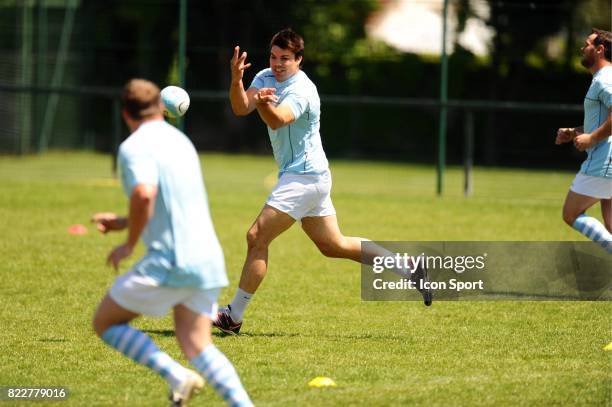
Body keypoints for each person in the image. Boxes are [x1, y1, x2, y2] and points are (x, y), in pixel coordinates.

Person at [214, 29, 431, 336]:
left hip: (303, 177)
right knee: (334, 245)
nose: (277, 64)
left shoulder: (303, 90)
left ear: (299, 60)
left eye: (285, 59)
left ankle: (233, 315)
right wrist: (237, 80)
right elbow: (240, 108)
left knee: (256, 237)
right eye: (274, 57)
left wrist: (262, 103)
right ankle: (409, 267)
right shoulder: (263, 76)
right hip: (310, 176)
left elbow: (277, 119)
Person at [91, 79, 253, 407]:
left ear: (126, 113)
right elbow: (169, 202)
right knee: (196, 344)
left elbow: (145, 193)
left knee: (105, 322)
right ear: (158, 108)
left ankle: (175, 375)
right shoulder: (181, 141)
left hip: (172, 259)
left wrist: (128, 243)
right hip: (207, 256)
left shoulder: (134, 146)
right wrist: (123, 222)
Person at [555, 28, 612, 254]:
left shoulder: (605, 78)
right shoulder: (603, 78)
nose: (582, 48)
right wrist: (574, 131)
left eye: (586, 44)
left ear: (599, 50)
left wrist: (591, 138)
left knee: (571, 214)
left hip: (603, 161)